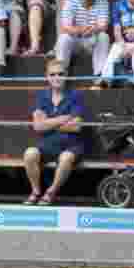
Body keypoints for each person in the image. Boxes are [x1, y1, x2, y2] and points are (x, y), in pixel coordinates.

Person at [23, 58, 90, 205]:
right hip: (47, 144)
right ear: (47, 77)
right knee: (29, 154)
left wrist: (48, 121)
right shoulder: (42, 96)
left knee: (66, 158)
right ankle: (36, 191)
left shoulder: (75, 95)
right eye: (52, 74)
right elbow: (38, 126)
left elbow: (76, 126)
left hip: (71, 144)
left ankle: (51, 192)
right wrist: (64, 118)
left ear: (66, 75)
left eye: (60, 74)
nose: (56, 77)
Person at [54, 0, 110, 87]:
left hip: (91, 40)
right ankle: (59, 75)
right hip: (75, 40)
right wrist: (81, 30)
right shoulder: (71, 1)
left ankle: (99, 76)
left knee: (104, 36)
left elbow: (103, 26)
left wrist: (93, 29)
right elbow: (66, 26)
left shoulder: (102, 0)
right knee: (64, 38)